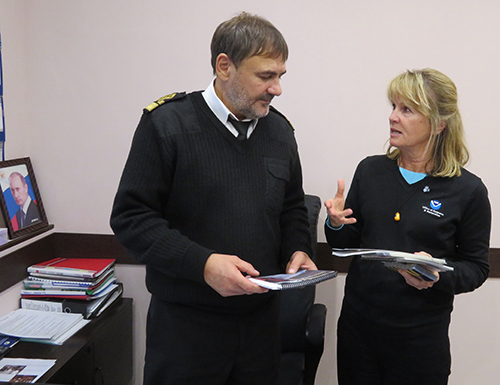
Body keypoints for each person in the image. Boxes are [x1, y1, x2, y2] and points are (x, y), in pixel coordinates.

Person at [110, 12, 316, 385]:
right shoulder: (166, 125)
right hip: (186, 331)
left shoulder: (280, 132)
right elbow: (131, 218)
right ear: (225, 66)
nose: (277, 89)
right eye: (265, 76)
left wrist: (297, 248)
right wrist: (203, 264)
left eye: (280, 76)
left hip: (260, 330)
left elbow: (291, 208)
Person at [324, 68, 491, 385]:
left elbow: (476, 268)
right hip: (359, 331)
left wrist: (435, 275)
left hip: (419, 340)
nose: (393, 117)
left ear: (439, 123)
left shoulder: (467, 191)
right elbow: (345, 243)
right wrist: (335, 223)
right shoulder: (371, 171)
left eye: (406, 110)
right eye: (393, 107)